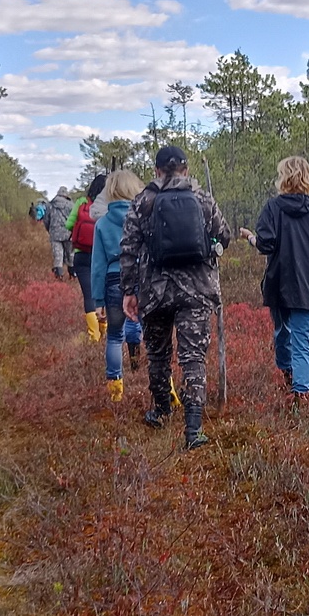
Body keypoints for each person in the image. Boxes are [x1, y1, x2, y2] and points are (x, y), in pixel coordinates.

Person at [120, 145, 232, 450]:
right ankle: (193, 429)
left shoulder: (142, 201)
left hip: (153, 292)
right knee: (192, 357)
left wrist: (129, 291)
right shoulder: (202, 198)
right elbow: (224, 236)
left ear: (156, 171)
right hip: (196, 291)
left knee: (158, 354)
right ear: (185, 169)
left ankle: (161, 410)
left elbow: (128, 249)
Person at [239, 156, 309, 399]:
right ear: (308, 178)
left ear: (283, 178)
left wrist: (251, 238)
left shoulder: (272, 209)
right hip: (308, 285)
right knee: (302, 340)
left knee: (282, 332)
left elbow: (265, 244)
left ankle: (289, 377)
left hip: (278, 283)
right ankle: (300, 395)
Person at [91, 170, 148, 402]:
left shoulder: (103, 223)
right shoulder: (144, 218)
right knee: (146, 329)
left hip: (113, 282)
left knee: (114, 336)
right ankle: (159, 382)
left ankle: (116, 393)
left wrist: (97, 301)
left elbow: (98, 266)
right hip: (142, 280)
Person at [68, 174, 107, 342]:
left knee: (88, 295)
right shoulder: (108, 205)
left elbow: (69, 224)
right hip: (103, 256)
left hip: (81, 255)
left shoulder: (81, 202)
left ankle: (94, 335)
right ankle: (104, 329)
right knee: (103, 293)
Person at [46, 191, 75, 280]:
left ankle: (59, 275)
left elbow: (46, 220)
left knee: (58, 255)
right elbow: (75, 219)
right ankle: (72, 274)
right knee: (70, 254)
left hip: (55, 233)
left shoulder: (50, 205)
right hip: (68, 233)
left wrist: (49, 229)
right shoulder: (71, 205)